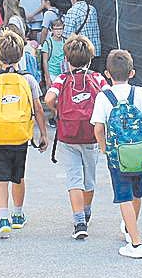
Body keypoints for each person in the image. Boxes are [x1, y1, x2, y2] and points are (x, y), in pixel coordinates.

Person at [0, 29, 48, 239]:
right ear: (21, 55)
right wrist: (43, 134)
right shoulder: (28, 79)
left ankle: (2, 218)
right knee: (18, 176)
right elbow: (38, 108)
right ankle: (18, 215)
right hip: (20, 135)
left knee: (1, 178)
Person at [92, 49, 142, 259]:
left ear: (107, 74)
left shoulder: (104, 97)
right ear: (132, 73)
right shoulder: (139, 93)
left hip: (117, 154)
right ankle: (130, 229)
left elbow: (98, 129)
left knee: (124, 196)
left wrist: (103, 147)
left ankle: (136, 245)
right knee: (137, 193)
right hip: (140, 152)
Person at [44, 34, 107, 239]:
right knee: (89, 179)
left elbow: (49, 98)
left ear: (67, 60)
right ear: (90, 59)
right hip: (91, 136)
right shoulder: (97, 78)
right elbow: (109, 99)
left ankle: (79, 221)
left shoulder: (62, 79)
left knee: (74, 178)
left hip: (68, 136)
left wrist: (58, 112)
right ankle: (86, 210)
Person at [62, 0, 101, 72]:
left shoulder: (72, 11)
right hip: (95, 51)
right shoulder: (92, 9)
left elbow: (66, 35)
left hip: (81, 54)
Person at [40, 18, 67, 92]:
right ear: (52, 30)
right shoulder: (48, 43)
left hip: (63, 73)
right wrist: (47, 78)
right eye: (56, 29)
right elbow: (44, 61)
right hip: (52, 73)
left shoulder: (65, 42)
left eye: (60, 29)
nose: (58, 31)